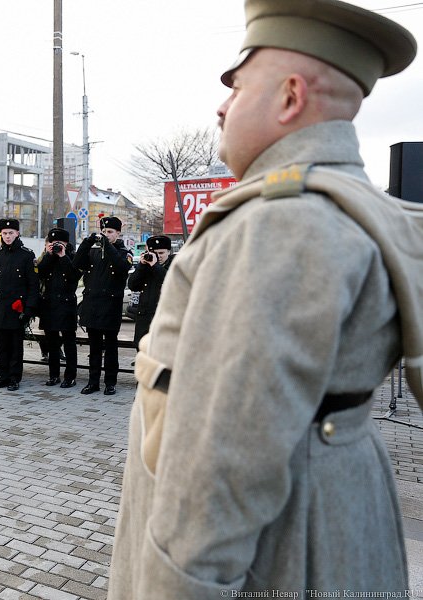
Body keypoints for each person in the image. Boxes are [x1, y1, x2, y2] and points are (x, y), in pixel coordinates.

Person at [108, 1, 418, 596]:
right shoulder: (348, 207)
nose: (221, 106)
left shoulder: (278, 227)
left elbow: (220, 465)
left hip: (278, 558)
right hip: (326, 530)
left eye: (238, 85)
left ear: (289, 97)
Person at [72, 216, 132, 396]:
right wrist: (86, 243)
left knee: (111, 348)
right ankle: (93, 382)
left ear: (118, 233)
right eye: (104, 232)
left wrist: (108, 245)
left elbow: (121, 267)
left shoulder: (123, 252)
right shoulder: (94, 252)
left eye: (110, 232)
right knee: (95, 348)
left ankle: (110, 382)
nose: (106, 235)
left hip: (111, 307)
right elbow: (76, 263)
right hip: (93, 305)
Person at [0, 218, 38, 392]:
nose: (7, 236)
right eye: (4, 233)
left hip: (17, 309)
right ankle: (3, 376)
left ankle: (14, 377)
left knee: (15, 346)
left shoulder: (27, 255)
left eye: (10, 233)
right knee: (1, 345)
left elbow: (33, 285)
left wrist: (28, 309)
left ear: (17, 234)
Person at [36, 228, 81, 388]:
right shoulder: (47, 257)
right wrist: (49, 255)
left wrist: (62, 256)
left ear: (66, 243)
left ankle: (70, 376)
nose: (56, 246)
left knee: (69, 344)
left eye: (59, 243)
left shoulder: (73, 257)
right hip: (49, 305)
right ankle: (54, 375)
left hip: (67, 305)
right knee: (52, 344)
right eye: (53, 243)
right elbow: (39, 274)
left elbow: (74, 277)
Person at [127, 235, 173, 348]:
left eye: (162, 253)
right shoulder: (146, 267)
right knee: (142, 351)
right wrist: (141, 266)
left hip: (165, 319)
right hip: (145, 319)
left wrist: (155, 265)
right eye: (156, 253)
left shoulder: (174, 265)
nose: (159, 256)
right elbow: (132, 285)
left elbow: (171, 282)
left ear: (169, 252)